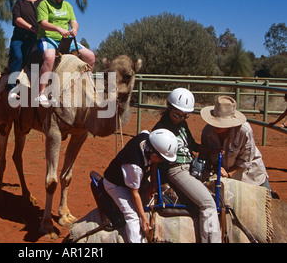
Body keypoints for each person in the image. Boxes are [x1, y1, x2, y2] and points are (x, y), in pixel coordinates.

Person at [152, 88, 221, 243]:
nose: (180, 118)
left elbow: (192, 145)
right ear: (168, 108)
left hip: (190, 165)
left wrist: (211, 150)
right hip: (176, 170)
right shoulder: (160, 129)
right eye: (176, 114)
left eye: (184, 116)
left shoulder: (183, 125)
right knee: (208, 203)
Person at [103, 128, 178, 243]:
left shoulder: (147, 137)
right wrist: (143, 218)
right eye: (161, 158)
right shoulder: (135, 166)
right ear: (153, 152)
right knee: (132, 215)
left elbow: (154, 162)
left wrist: (153, 183)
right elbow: (134, 193)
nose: (161, 161)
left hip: (130, 177)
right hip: (115, 184)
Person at [35, 0, 96, 106]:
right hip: (48, 38)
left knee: (90, 57)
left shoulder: (67, 6)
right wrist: (58, 29)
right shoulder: (44, 4)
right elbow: (43, 23)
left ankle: (86, 87)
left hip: (66, 40)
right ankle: (41, 93)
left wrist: (74, 29)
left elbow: (74, 22)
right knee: (50, 58)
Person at [200, 96, 271, 192]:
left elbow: (245, 160)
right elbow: (205, 155)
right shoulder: (207, 131)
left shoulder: (244, 131)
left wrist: (229, 173)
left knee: (265, 203)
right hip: (223, 178)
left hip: (249, 175)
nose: (214, 126)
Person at [8, 0, 45, 101]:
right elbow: (17, 19)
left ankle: (42, 89)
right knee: (18, 56)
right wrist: (31, 28)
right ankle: (12, 88)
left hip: (36, 40)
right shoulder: (19, 3)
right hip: (19, 39)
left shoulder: (44, 2)